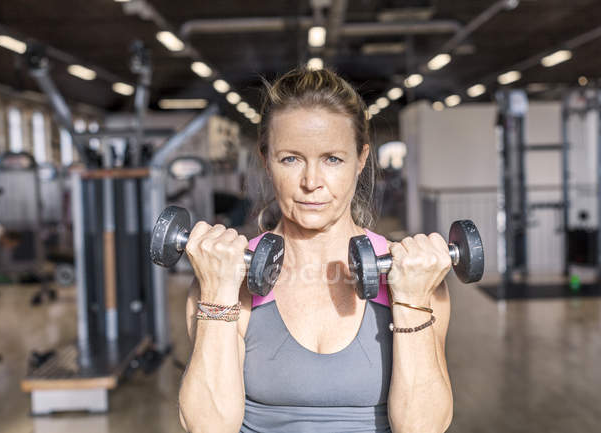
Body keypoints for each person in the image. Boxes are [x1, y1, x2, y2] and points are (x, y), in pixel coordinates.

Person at [178, 68, 453, 433]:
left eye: (332, 159)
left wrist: (412, 299)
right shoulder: (227, 279)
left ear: (360, 160)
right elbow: (207, 427)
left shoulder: (414, 276)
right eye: (291, 158)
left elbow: (423, 428)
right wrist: (216, 292)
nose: (311, 182)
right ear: (266, 160)